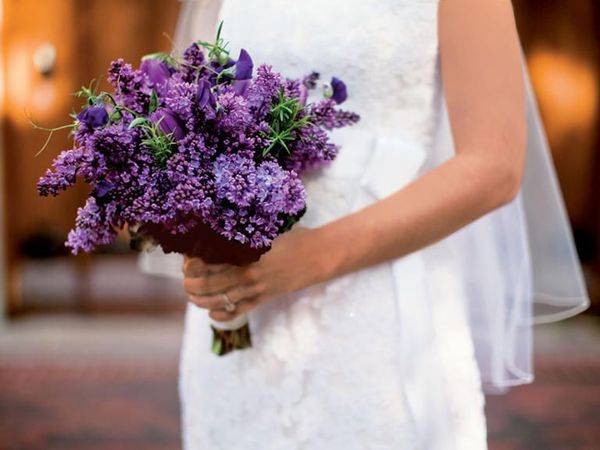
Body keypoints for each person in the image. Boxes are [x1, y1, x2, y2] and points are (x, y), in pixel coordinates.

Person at [139, 0, 590, 448]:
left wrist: (310, 257)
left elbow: (493, 168)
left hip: (380, 307)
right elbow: (200, 109)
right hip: (245, 312)